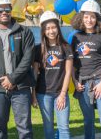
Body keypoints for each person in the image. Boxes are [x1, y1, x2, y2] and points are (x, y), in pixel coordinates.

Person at [0, 0, 35, 139]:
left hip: (21, 87)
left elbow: (28, 59)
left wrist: (12, 79)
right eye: (0, 10)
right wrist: (3, 79)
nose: (4, 13)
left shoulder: (24, 32)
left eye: (7, 9)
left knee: (25, 129)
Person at [70, 0, 101, 139]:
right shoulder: (76, 37)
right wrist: (75, 81)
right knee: (88, 121)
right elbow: (71, 63)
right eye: (86, 16)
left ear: (98, 19)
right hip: (83, 85)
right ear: (81, 18)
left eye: (93, 16)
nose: (89, 20)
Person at [32, 11, 73, 139]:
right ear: (43, 30)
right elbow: (35, 75)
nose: (51, 31)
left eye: (54, 27)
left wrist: (62, 94)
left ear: (58, 28)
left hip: (60, 94)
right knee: (48, 128)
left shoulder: (66, 47)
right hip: (43, 94)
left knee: (64, 128)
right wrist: (33, 95)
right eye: (48, 28)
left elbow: (68, 73)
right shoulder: (38, 49)